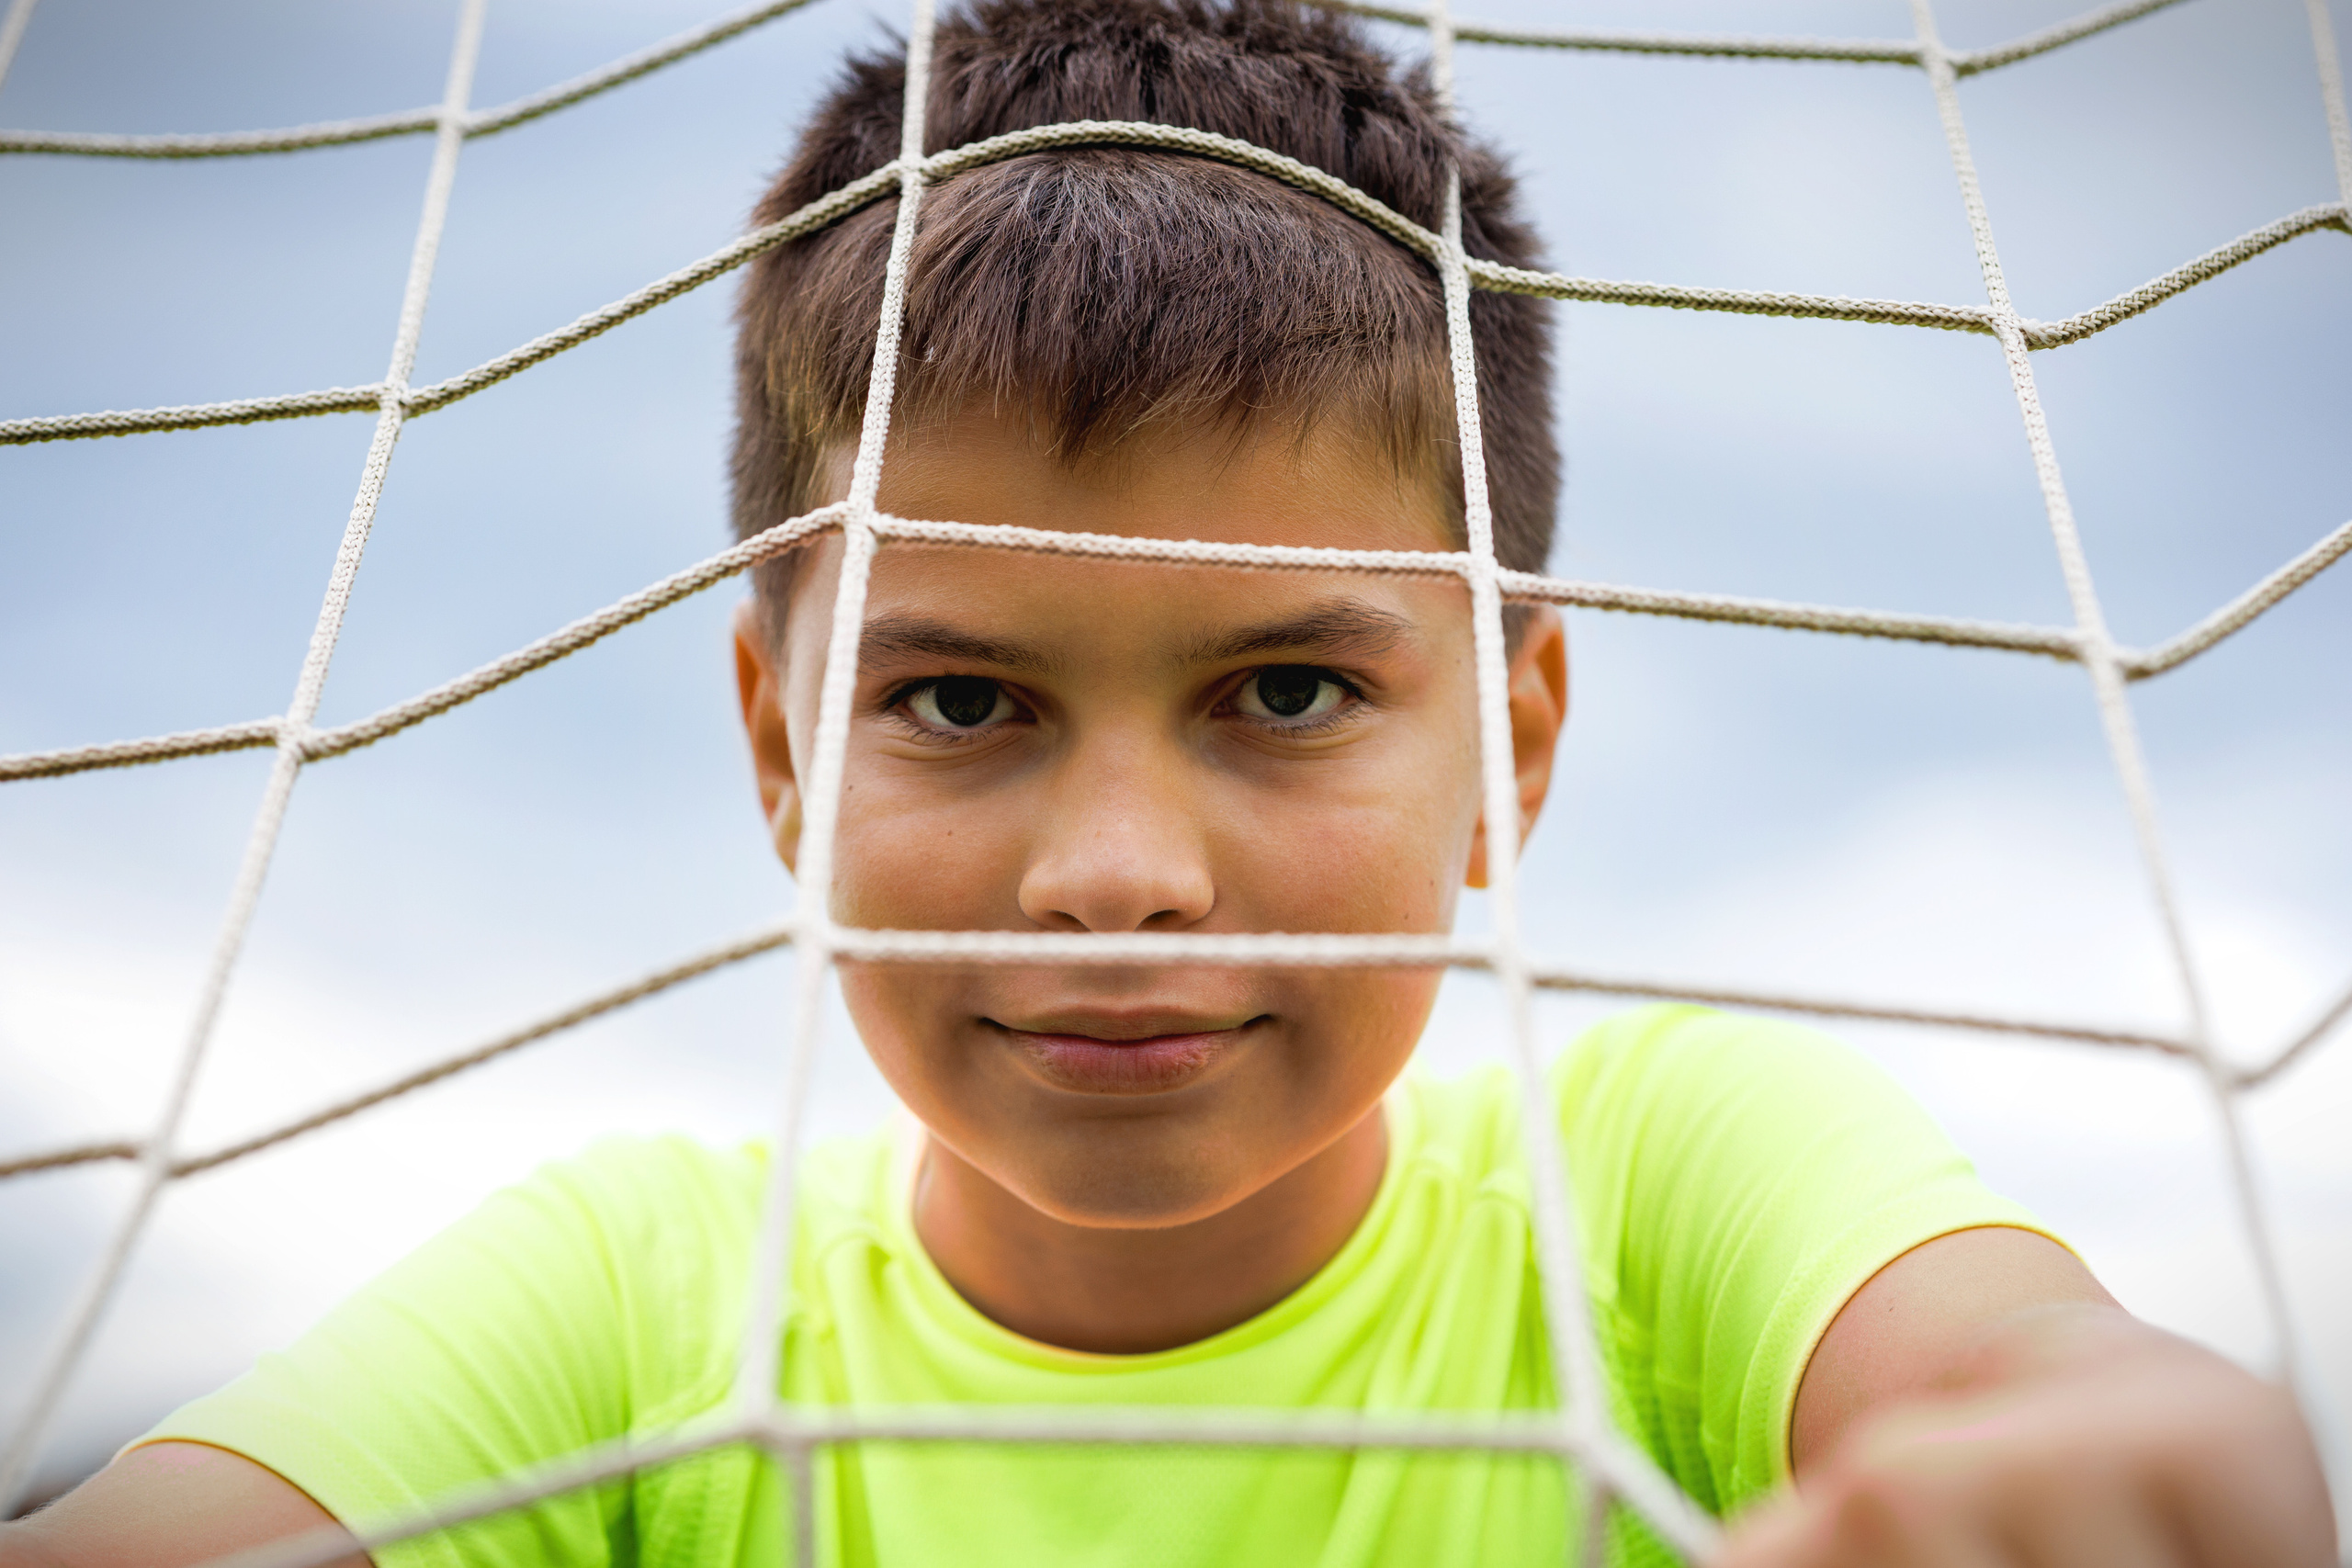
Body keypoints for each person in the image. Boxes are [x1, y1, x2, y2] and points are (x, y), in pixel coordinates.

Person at [6, 2, 2332, 1564]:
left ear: (1508, 740)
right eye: (959, 702)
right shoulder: (640, 1304)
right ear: (772, 744)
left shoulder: (1655, 1185)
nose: (1115, 877)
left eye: (1289, 692)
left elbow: (2024, 1369)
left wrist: (2088, 1452)